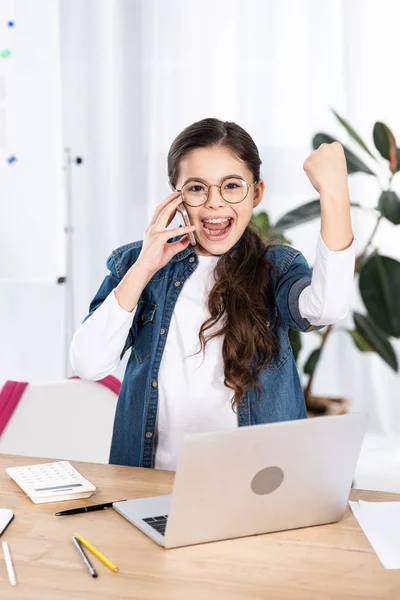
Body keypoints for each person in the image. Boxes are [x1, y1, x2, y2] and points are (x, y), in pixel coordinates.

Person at [70, 118, 355, 469]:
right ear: (175, 196)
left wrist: (334, 193)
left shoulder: (275, 266)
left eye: (232, 186)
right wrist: (144, 267)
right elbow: (88, 363)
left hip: (254, 485)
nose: (215, 203)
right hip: (152, 483)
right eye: (196, 188)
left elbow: (325, 308)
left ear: (257, 192)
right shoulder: (135, 264)